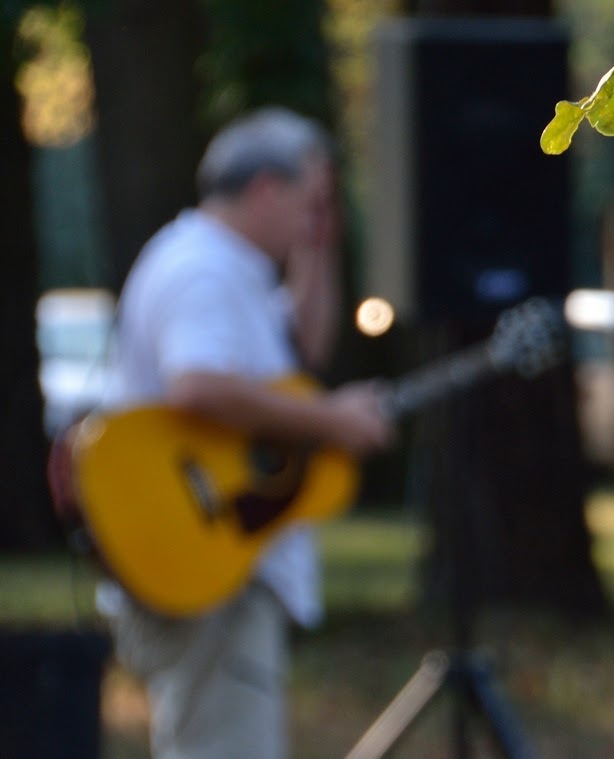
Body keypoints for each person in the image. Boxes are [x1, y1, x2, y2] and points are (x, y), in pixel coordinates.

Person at [93, 107, 394, 758]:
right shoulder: (205, 270)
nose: (315, 216)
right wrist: (333, 420)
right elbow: (197, 385)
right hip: (209, 569)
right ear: (265, 189)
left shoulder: (233, 270)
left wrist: (316, 249)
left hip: (220, 566)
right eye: (308, 201)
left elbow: (304, 350)